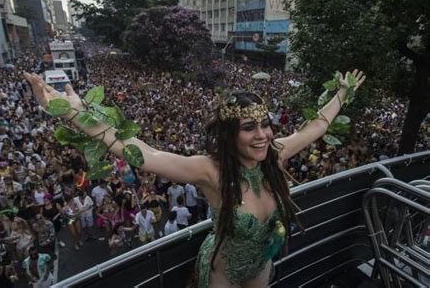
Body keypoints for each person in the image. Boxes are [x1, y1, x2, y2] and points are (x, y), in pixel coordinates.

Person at [24, 69, 366, 287]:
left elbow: (317, 126)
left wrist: (343, 92)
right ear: (230, 135)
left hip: (261, 265)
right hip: (223, 274)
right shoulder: (209, 170)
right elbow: (144, 153)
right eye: (249, 128)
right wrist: (72, 112)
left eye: (265, 124)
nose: (262, 135)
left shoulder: (274, 153)